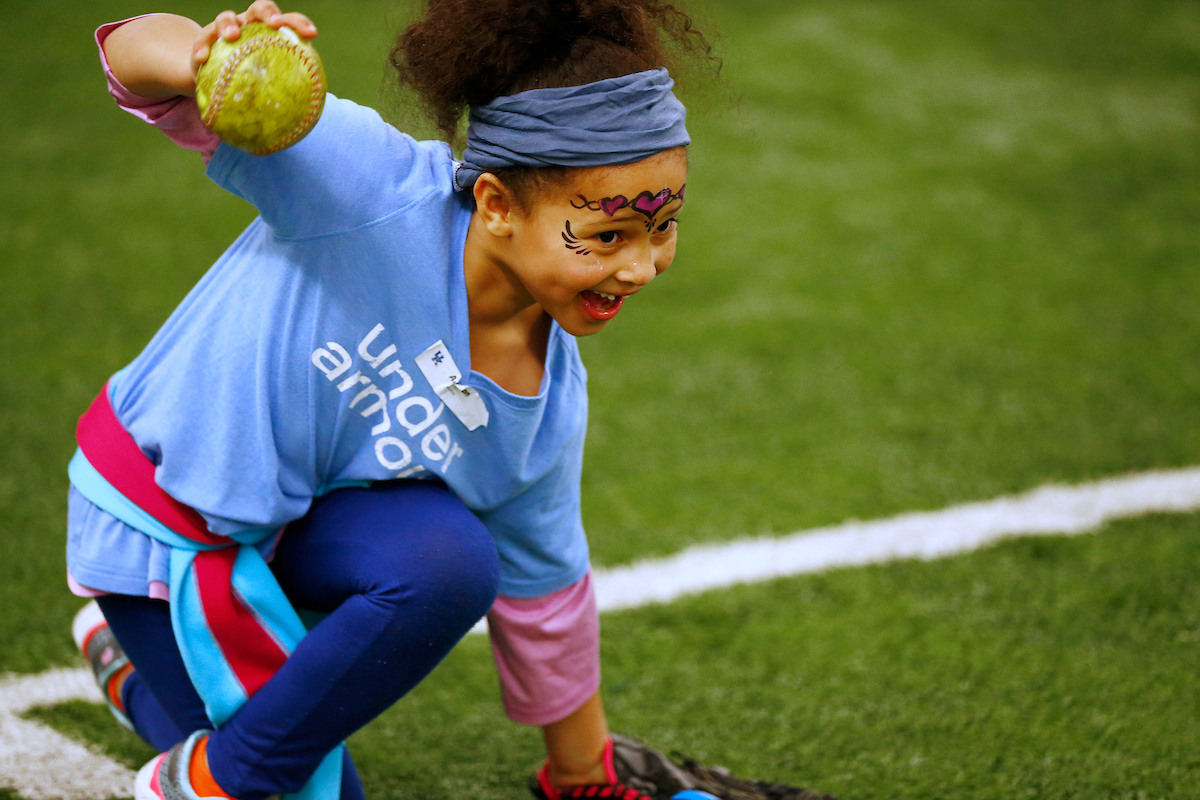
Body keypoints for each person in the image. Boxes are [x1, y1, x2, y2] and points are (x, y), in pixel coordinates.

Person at [70, 2, 832, 799]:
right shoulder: (371, 186)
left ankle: (154, 697)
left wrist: (581, 773)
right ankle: (207, 767)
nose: (641, 267)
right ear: (499, 205)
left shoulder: (546, 397)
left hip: (285, 530)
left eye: (663, 226)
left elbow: (544, 589)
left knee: (451, 562)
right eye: (608, 236)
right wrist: (200, 55)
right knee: (297, 778)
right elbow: (128, 51)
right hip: (163, 521)